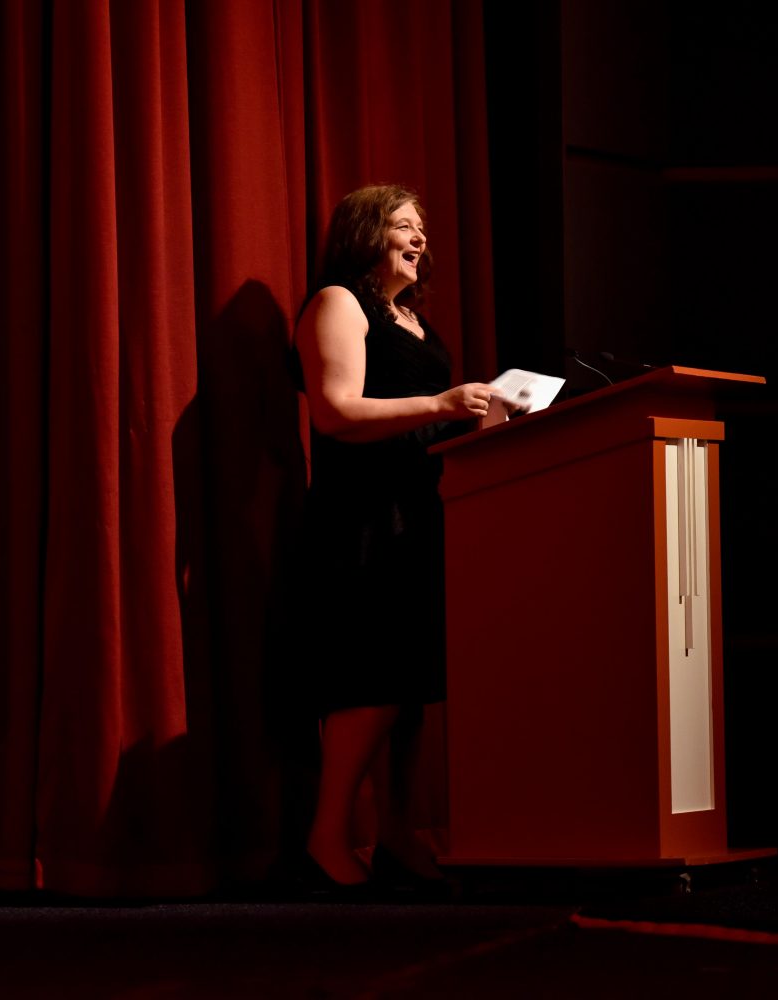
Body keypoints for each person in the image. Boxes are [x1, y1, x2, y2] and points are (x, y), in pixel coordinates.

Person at [290, 183, 509, 895]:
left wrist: (480, 420)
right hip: (363, 515)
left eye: (422, 229)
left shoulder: (411, 319)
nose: (419, 240)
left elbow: (423, 422)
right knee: (372, 677)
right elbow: (333, 411)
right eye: (403, 227)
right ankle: (326, 837)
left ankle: (396, 837)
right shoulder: (337, 304)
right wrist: (444, 402)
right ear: (364, 233)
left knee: (410, 688)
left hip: (421, 512)